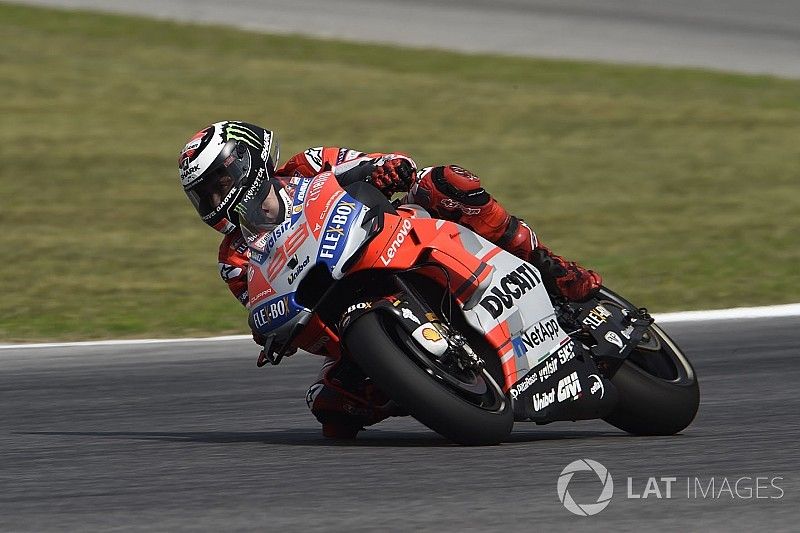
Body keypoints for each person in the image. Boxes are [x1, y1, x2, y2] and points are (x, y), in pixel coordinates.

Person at [179, 120, 602, 438]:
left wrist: (387, 170)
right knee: (331, 411)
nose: (217, 198)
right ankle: (414, 383)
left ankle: (551, 267)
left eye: (221, 182)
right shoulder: (233, 256)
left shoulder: (306, 165)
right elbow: (260, 305)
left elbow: (377, 163)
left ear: (250, 159)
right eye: (206, 195)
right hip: (342, 313)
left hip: (392, 238)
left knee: (445, 183)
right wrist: (272, 331)